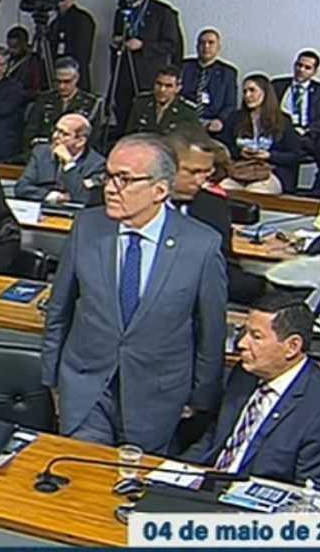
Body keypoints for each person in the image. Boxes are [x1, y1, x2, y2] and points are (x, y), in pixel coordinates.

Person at [41, 134, 226, 453]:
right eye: (109, 176)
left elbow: (211, 331)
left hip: (157, 396)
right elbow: (60, 309)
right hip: (86, 388)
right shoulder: (87, 227)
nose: (111, 188)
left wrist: (200, 397)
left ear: (160, 190)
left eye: (124, 179)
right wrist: (52, 378)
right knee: (82, 472)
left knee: (133, 480)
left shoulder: (201, 246)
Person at [183, 294, 320, 493]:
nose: (242, 343)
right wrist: (172, 473)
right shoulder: (244, 375)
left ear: (292, 346)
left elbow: (311, 495)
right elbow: (215, 439)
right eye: (244, 332)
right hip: (207, 488)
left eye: (256, 337)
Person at [165, 127, 265, 305]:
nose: (200, 181)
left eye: (206, 173)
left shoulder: (214, 207)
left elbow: (224, 266)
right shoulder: (132, 204)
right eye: (193, 172)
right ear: (165, 165)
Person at [108, 0, 181, 131]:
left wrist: (143, 45)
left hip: (149, 75)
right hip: (124, 72)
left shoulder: (164, 12)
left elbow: (172, 45)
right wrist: (116, 43)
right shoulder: (122, 12)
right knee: (122, 115)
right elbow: (117, 36)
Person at [219, 73, 303, 194]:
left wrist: (269, 156)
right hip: (240, 170)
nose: (247, 95)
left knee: (254, 191)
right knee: (222, 189)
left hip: (270, 171)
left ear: (265, 93)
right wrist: (239, 152)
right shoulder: (235, 118)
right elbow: (223, 147)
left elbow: (294, 155)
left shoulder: (282, 120)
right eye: (245, 91)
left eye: (252, 90)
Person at [14, 113, 105, 206]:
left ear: (80, 141)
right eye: (56, 130)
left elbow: (84, 198)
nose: (55, 136)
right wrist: (54, 196)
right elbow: (21, 188)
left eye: (64, 134)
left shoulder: (97, 164)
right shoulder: (41, 153)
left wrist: (69, 164)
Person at [21, 57, 102, 158]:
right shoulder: (44, 99)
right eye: (58, 81)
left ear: (76, 78)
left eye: (67, 81)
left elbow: (94, 139)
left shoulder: (91, 103)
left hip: (76, 156)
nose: (61, 86)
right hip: (44, 154)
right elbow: (30, 132)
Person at [180, 28, 238, 137]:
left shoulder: (228, 73)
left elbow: (230, 105)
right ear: (197, 47)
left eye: (211, 43)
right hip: (185, 121)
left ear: (218, 47)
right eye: (202, 43)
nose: (206, 46)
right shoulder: (184, 67)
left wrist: (220, 120)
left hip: (212, 123)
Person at [271, 50, 320, 136]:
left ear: (315, 71)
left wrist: (308, 130)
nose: (301, 70)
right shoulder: (277, 85)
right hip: (281, 131)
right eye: (299, 65)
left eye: (307, 68)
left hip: (308, 134)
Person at [46, 0, 96, 91]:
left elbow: (82, 54)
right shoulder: (55, 22)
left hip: (75, 77)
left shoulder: (82, 19)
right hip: (56, 75)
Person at [123, 64, 200, 136]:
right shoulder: (141, 104)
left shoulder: (187, 112)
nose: (162, 90)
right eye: (159, 84)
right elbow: (129, 136)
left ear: (178, 88)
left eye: (168, 86)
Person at [142, 0, 184, 67]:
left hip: (152, 67)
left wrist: (143, 46)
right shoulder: (129, 8)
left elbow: (172, 45)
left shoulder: (166, 12)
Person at [5, 25, 44, 99]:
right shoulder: (9, 60)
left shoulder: (33, 62)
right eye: (9, 46)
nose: (11, 50)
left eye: (15, 47)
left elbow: (37, 90)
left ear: (24, 44)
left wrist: (20, 93)